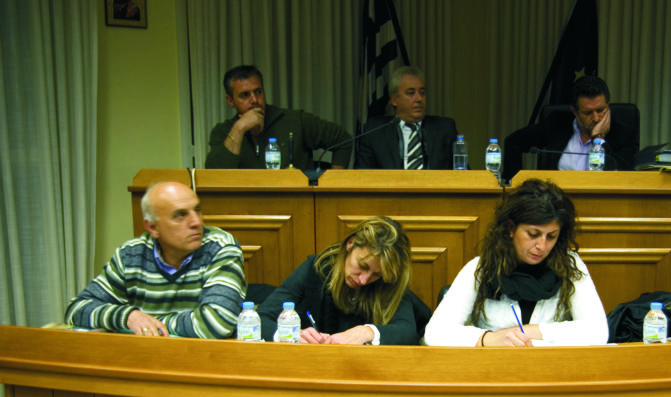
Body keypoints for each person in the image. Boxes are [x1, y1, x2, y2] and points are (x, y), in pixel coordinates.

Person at [424, 179, 608, 347]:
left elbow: (598, 332)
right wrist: (489, 338)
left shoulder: (570, 265)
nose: (542, 246)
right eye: (533, 234)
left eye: (551, 236)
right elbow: (435, 333)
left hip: (552, 368)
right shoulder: (480, 268)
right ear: (511, 228)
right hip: (494, 367)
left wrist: (529, 332)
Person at [65, 182, 246, 338]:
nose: (196, 222)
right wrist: (129, 317)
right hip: (145, 358)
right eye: (180, 215)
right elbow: (77, 309)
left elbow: (217, 323)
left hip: (203, 359)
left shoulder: (220, 247)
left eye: (197, 210)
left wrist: (147, 324)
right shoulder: (131, 255)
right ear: (152, 227)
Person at [258, 217, 422, 344]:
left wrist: (367, 332)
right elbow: (262, 318)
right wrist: (289, 334)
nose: (364, 280)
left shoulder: (388, 282)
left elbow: (407, 331)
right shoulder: (316, 268)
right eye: (363, 266)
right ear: (350, 243)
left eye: (376, 275)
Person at [205, 65, 353, 170]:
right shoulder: (222, 132)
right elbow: (215, 176)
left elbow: (342, 140)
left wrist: (332, 185)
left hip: (295, 202)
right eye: (245, 95)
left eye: (258, 92)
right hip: (246, 204)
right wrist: (239, 128)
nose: (254, 100)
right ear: (230, 101)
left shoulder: (294, 120)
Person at [503, 75, 639, 180]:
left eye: (600, 110)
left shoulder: (624, 134)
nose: (596, 118)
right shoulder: (557, 123)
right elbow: (513, 142)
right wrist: (515, 186)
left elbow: (623, 177)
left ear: (608, 106)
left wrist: (598, 139)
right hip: (556, 202)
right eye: (587, 113)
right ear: (575, 111)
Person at [355, 66, 459, 170]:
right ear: (394, 100)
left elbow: (462, 171)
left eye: (422, 93)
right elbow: (361, 174)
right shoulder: (374, 132)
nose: (419, 99)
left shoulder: (444, 129)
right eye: (411, 93)